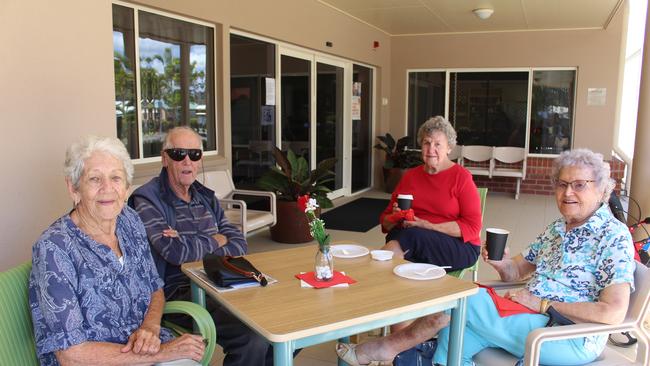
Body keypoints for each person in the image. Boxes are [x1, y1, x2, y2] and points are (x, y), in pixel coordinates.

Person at [337, 148, 635, 366]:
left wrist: (544, 303)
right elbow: (515, 271)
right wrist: (501, 262)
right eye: (562, 184)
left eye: (580, 185)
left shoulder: (613, 236)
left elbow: (613, 313)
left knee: (459, 298)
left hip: (566, 333)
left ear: (603, 190)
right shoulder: (558, 228)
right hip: (525, 315)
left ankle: (386, 348)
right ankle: (401, 352)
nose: (568, 193)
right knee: (456, 331)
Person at [29, 136, 205, 366]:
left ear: (126, 187)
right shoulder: (54, 249)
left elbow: (154, 286)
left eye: (115, 178)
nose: (107, 189)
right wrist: (162, 352)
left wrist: (150, 329)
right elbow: (71, 354)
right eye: (94, 179)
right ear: (74, 188)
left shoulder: (129, 220)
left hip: (146, 350)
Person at [128, 126, 274, 366]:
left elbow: (239, 243)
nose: (187, 161)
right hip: (179, 290)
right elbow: (174, 252)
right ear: (165, 158)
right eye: (178, 153)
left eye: (194, 154)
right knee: (253, 339)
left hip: (223, 280)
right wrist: (216, 239)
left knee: (281, 324)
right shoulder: (148, 198)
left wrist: (189, 241)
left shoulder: (204, 196)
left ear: (200, 160)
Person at [379, 116, 482, 272]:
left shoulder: (461, 178)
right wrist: (396, 216)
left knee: (410, 237)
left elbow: (473, 227)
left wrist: (429, 226)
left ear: (449, 148)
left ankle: (377, 273)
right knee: (401, 234)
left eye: (438, 144)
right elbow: (385, 222)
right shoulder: (410, 177)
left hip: (458, 246)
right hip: (414, 240)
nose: (431, 149)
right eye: (426, 143)